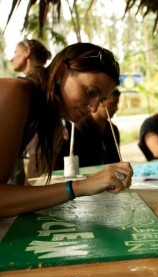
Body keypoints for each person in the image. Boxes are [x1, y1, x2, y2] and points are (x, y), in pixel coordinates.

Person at [0, 42, 133, 218]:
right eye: (90, 91)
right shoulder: (16, 92)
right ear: (62, 73)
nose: (93, 108)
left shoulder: (42, 113)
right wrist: (81, 186)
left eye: (101, 99)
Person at [10, 39, 52, 182]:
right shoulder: (49, 81)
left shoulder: (28, 85)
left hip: (38, 156)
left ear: (27, 53)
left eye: (16, 53)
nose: (11, 58)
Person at [55, 88, 122, 168]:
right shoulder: (80, 127)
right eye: (112, 104)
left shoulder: (113, 130)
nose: (116, 108)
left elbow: (116, 161)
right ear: (99, 102)